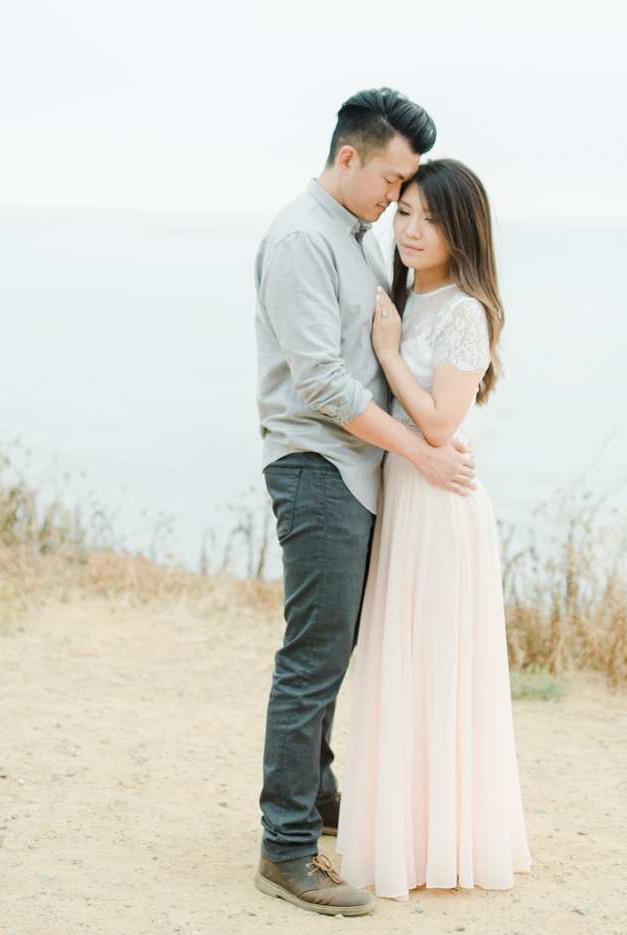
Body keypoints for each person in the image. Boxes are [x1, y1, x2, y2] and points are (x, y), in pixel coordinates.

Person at [252, 88, 477, 917]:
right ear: (349, 158)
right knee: (311, 659)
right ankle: (286, 849)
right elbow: (319, 380)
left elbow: (384, 361)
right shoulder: (302, 239)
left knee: (335, 652)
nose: (397, 201)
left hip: (358, 468)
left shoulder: (352, 237)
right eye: (391, 180)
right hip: (318, 468)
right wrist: (421, 448)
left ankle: (319, 797)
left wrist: (436, 429)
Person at [336, 159, 532, 899]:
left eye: (431, 218)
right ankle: (404, 834)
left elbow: (445, 421)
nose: (412, 229)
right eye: (406, 212)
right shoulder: (407, 296)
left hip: (442, 508)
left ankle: (444, 841)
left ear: (462, 230)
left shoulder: (464, 310)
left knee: (438, 669)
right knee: (400, 663)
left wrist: (389, 352)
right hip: (405, 502)